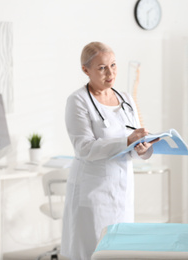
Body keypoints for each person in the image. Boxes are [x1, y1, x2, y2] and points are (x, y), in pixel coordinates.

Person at [61, 42, 157, 259]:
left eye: (113, 65)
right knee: (91, 250)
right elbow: (84, 148)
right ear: (86, 70)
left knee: (120, 249)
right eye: (102, 68)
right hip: (92, 191)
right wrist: (127, 141)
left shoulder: (125, 99)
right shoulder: (78, 101)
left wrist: (142, 147)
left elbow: (131, 143)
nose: (110, 72)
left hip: (122, 190)